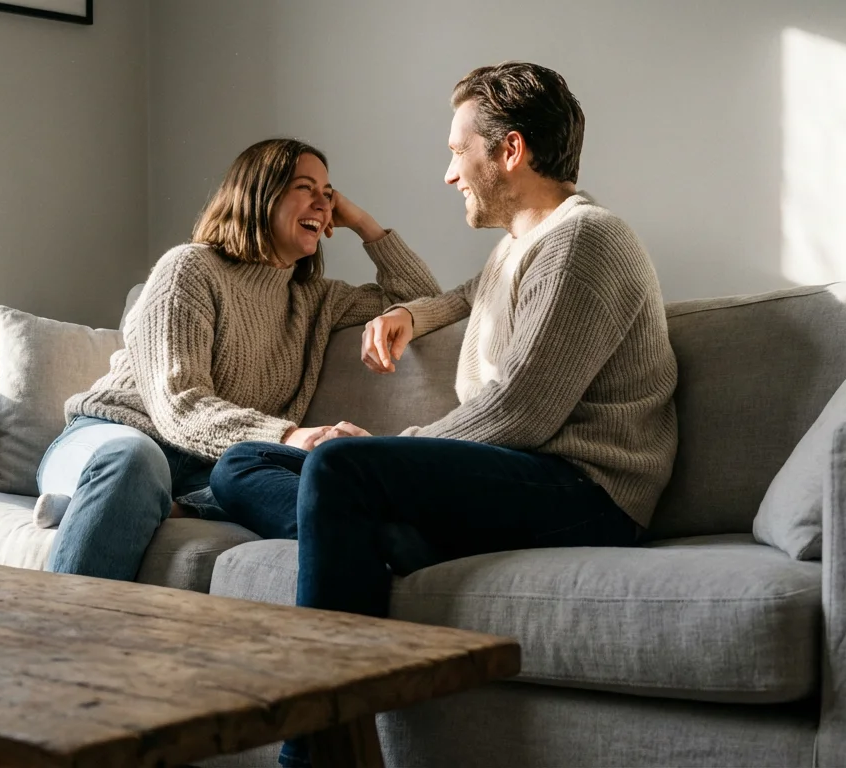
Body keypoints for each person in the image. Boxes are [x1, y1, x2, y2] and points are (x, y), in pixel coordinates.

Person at [208, 64, 678, 767]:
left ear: (510, 151)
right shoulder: (520, 247)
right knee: (240, 462)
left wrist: (400, 449)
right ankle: (377, 535)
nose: (450, 174)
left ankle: (317, 756)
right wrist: (406, 313)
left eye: (460, 152)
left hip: (586, 487)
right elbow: (461, 297)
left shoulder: (587, 242)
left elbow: (523, 409)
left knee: (339, 465)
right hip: (517, 475)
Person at [39, 138, 442, 580]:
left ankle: (141, 504)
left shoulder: (315, 300)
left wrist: (363, 223)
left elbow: (424, 301)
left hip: (202, 471)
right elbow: (180, 405)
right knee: (136, 461)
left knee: (280, 490)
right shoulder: (190, 268)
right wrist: (288, 435)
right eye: (304, 188)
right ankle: (67, 635)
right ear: (259, 195)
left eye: (328, 194)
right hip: (111, 438)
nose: (323, 204)